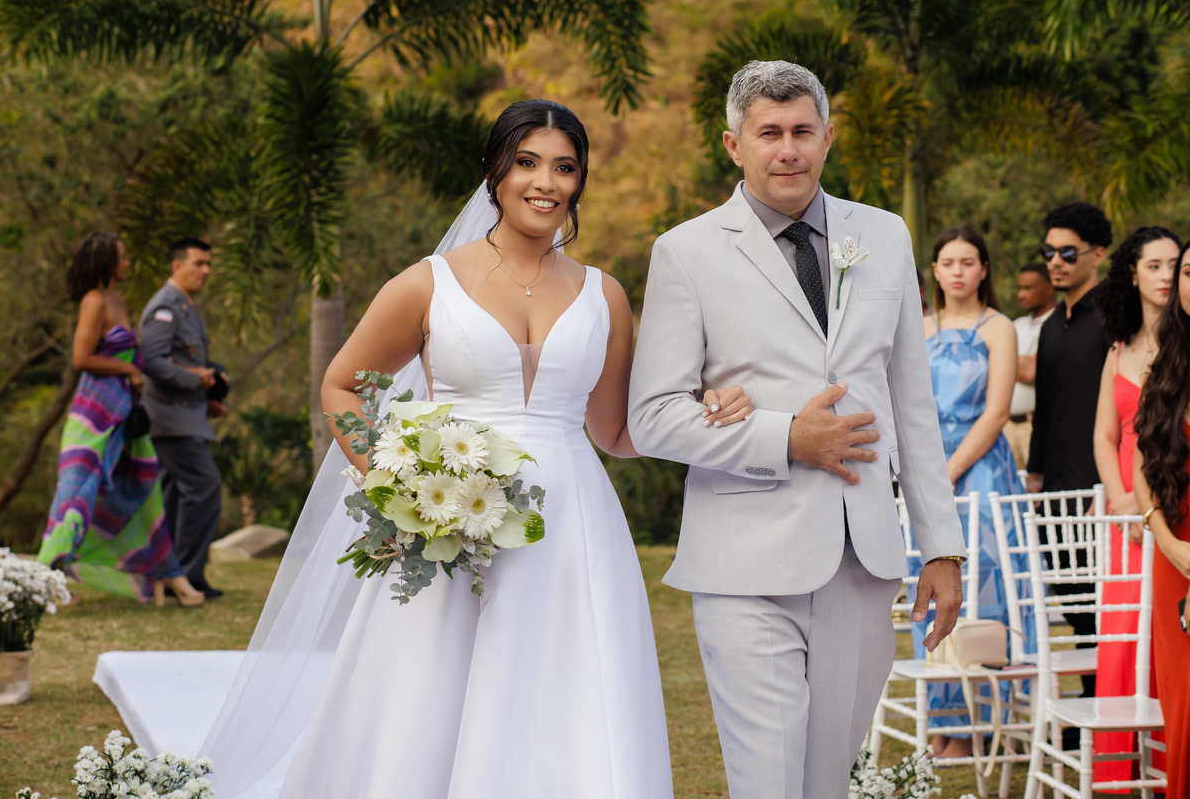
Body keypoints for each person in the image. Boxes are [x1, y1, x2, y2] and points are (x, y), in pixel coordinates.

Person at [197, 99, 752, 798]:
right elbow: (343, 385)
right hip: (445, 525)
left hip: (571, 528)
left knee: (562, 694)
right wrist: (396, 488)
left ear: (580, 182)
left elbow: (614, 431)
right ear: (495, 171)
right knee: (428, 696)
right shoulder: (429, 282)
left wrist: (699, 410)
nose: (544, 182)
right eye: (526, 162)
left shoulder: (604, 296)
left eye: (564, 167)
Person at [627, 61, 966, 799]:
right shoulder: (684, 252)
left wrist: (942, 546)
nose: (789, 150)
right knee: (769, 780)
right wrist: (785, 437)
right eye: (769, 133)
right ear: (733, 145)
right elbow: (651, 416)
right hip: (744, 563)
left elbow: (914, 408)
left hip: (860, 559)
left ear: (827, 138)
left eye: (803, 132)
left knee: (826, 784)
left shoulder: (882, 234)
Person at [912, 226, 1029, 759]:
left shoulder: (997, 327)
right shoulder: (918, 326)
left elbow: (998, 410)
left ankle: (987, 722)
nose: (957, 270)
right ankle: (946, 722)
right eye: (947, 261)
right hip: (926, 466)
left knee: (984, 588)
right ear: (934, 271)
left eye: (968, 261)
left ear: (984, 269)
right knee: (930, 590)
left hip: (979, 469)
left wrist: (951, 469)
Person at [38, 232, 203, 608]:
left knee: (145, 487)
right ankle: (49, 578)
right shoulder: (94, 301)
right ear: (106, 262)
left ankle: (164, 574)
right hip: (94, 414)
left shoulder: (117, 299)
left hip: (125, 415)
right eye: (123, 258)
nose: (128, 263)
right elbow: (81, 358)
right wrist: (127, 371)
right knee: (75, 492)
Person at [1091, 226, 1180, 785]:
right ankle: (1120, 766)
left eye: (1176, 265)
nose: (1167, 276)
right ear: (1133, 273)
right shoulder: (1118, 349)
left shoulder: (1187, 347)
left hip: (1173, 500)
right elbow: (1104, 436)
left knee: (1168, 631)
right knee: (1124, 628)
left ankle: (1174, 760)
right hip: (1124, 515)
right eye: (1154, 265)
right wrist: (1120, 498)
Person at [1026, 201, 1113, 700]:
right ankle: (1089, 701)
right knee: (1073, 600)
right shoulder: (1049, 325)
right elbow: (1044, 408)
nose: (1055, 261)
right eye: (1049, 252)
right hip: (1055, 485)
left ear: (1096, 254)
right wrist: (1036, 477)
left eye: (1066, 252)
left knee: (1108, 605)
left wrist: (1109, 486)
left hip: (1101, 486)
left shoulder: (1113, 320)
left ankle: (1110, 706)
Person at [1132, 237, 1190, 799]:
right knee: (1187, 710)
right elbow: (1142, 466)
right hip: (1178, 551)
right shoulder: (1166, 364)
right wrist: (1169, 542)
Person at [138, 238, 227, 600]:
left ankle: (172, 575)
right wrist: (197, 380)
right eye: (198, 263)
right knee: (204, 488)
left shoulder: (186, 305)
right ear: (177, 266)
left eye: (208, 263)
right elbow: (153, 361)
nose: (205, 270)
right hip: (172, 420)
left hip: (189, 414)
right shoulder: (164, 306)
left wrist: (208, 395)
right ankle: (187, 576)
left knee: (176, 495)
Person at [1004, 263, 1055, 470]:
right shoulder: (1016, 324)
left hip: (1033, 425)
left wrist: (1004, 363)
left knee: (1036, 491)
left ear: (1049, 287)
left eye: (1028, 288)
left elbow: (1032, 370)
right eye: (1020, 288)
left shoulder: (1056, 324)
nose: (1020, 294)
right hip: (1006, 425)